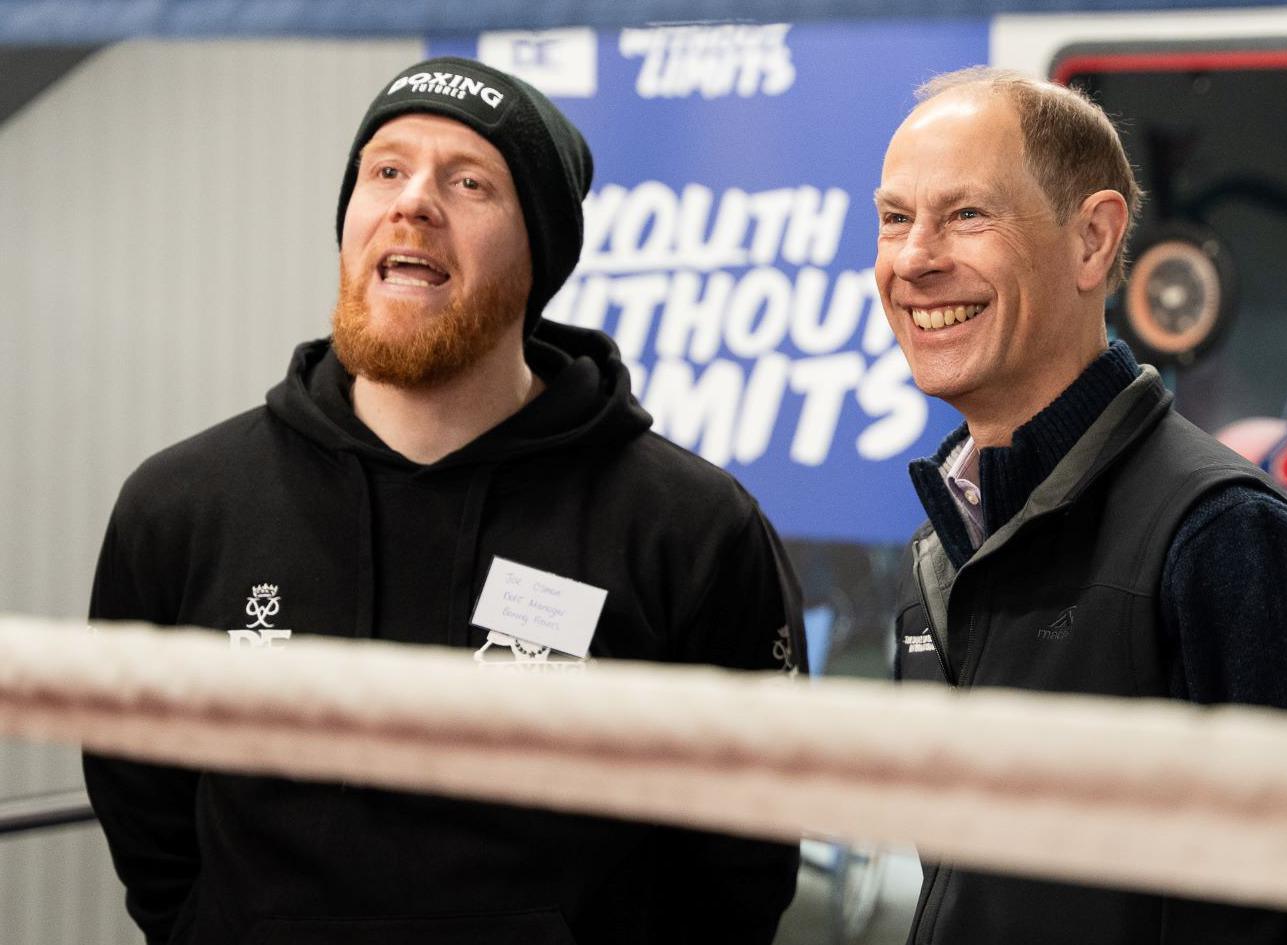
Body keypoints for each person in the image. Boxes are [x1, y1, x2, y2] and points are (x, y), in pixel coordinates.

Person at [83, 56, 804, 945]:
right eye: (385, 170)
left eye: (469, 182)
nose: (412, 201)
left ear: (537, 252)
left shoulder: (690, 526)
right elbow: (141, 802)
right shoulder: (182, 506)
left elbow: (742, 854)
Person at [876, 67, 1287, 945]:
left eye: (967, 214)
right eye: (895, 218)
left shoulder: (1228, 540)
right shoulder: (944, 549)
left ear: (1093, 240)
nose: (916, 258)